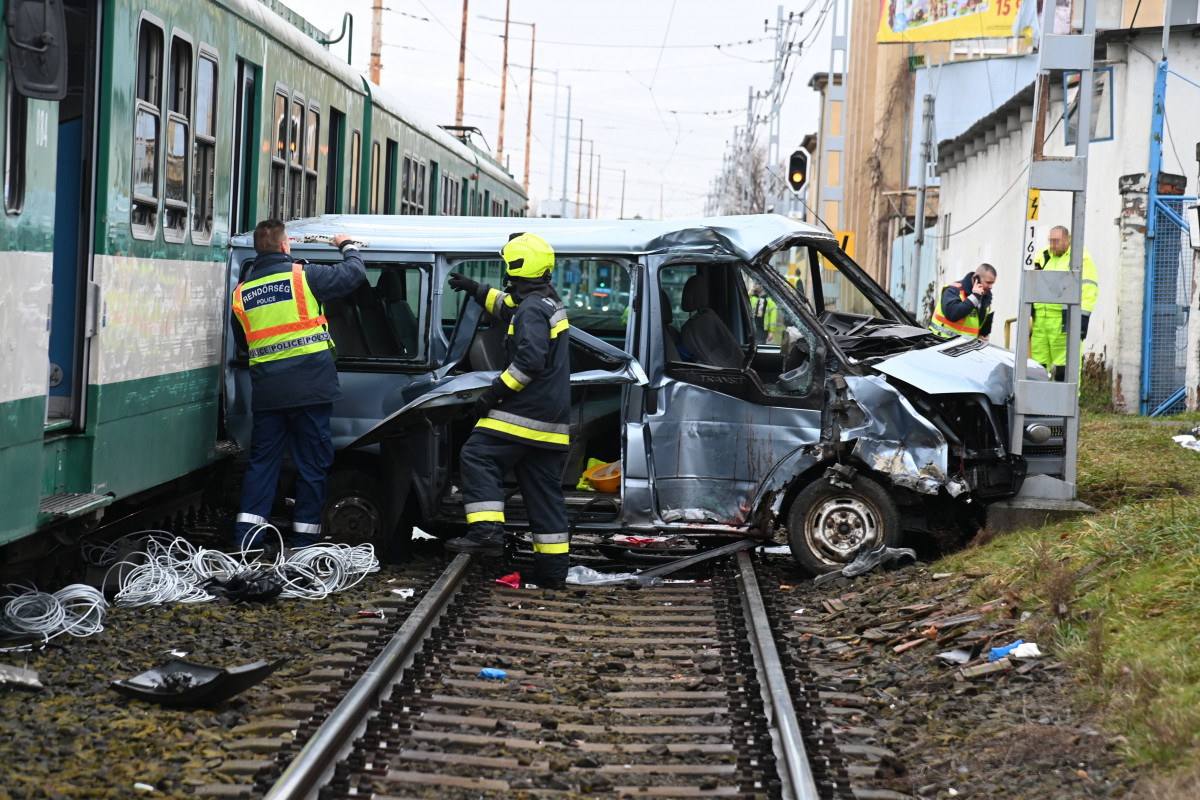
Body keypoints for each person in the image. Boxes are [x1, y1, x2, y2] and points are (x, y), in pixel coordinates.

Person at [443, 232, 572, 589]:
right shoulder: (546, 301)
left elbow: (529, 362)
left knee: (476, 454)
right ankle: (552, 573)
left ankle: (485, 532)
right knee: (544, 495)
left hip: (524, 414)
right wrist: (476, 289)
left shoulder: (531, 309)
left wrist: (492, 396)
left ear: (517, 266)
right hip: (551, 420)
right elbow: (508, 307)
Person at [230, 220, 366, 550]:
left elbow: (245, 343)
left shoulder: (240, 294)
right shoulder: (303, 276)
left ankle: (247, 542)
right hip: (310, 390)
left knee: (262, 465)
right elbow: (354, 275)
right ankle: (304, 542)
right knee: (312, 465)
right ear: (285, 246)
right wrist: (346, 245)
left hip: (268, 394)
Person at [1031, 225, 1098, 381]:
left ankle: (1068, 404)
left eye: (1056, 241)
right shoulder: (1043, 256)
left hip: (1063, 322)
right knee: (1036, 369)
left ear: (1068, 239)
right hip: (1040, 322)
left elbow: (1088, 291)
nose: (1052, 245)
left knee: (1065, 370)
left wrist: (1080, 321)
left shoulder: (1081, 259)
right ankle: (1039, 404)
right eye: (1050, 241)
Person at [929, 263, 996, 341]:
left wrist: (980, 336)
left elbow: (974, 325)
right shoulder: (953, 290)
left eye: (992, 283)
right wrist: (974, 297)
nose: (991, 287)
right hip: (940, 343)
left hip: (965, 348)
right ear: (976, 278)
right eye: (988, 282)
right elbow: (952, 314)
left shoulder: (985, 298)